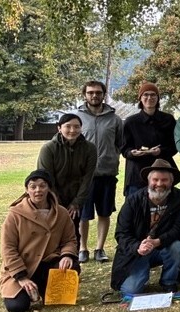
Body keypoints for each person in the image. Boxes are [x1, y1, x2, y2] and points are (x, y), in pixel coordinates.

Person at [0, 170, 79, 312]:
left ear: (49, 188)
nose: (38, 190)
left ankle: (44, 288)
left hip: (47, 264)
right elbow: (7, 248)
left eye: (42, 186)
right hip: (21, 268)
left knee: (72, 267)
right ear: (26, 190)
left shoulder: (61, 213)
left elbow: (70, 240)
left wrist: (67, 255)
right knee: (17, 307)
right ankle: (27, 290)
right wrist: (22, 278)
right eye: (33, 186)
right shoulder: (15, 215)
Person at [111, 159, 180, 295]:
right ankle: (141, 269)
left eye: (164, 180)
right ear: (148, 181)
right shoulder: (133, 201)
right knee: (131, 290)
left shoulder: (179, 198)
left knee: (177, 247)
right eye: (155, 180)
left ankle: (168, 281)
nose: (159, 184)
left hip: (161, 246)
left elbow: (179, 228)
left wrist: (158, 241)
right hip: (137, 251)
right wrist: (138, 247)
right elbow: (121, 233)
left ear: (171, 182)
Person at [74, 80, 124, 263]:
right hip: (83, 176)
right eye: (90, 92)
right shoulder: (77, 117)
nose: (94, 95)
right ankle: (83, 248)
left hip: (107, 174)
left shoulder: (115, 119)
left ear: (104, 94)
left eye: (98, 92)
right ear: (85, 95)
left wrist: (110, 158)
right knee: (83, 215)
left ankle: (100, 249)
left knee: (104, 213)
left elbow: (120, 143)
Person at [37, 113, 96, 243]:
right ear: (59, 128)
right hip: (52, 200)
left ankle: (72, 260)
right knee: (52, 236)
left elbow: (88, 178)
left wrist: (76, 203)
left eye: (76, 127)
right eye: (67, 126)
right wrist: (57, 204)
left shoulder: (89, 149)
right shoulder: (48, 148)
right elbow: (46, 179)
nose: (72, 130)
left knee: (73, 235)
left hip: (75, 201)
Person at [121, 81, 178, 197]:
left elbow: (175, 146)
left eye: (153, 95)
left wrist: (160, 151)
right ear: (140, 98)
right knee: (136, 211)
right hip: (136, 174)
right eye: (145, 95)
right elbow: (124, 148)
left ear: (158, 98)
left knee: (163, 210)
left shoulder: (168, 120)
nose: (149, 98)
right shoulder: (131, 122)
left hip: (162, 173)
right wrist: (132, 153)